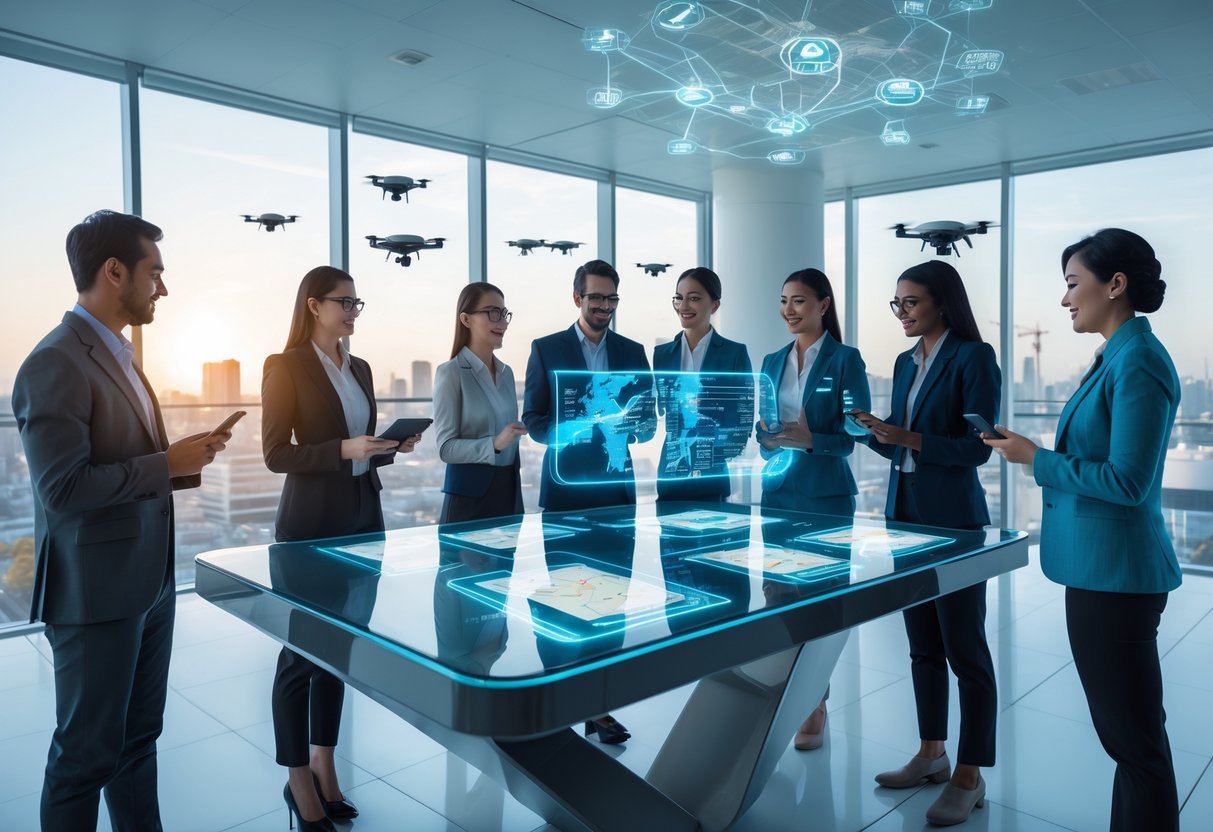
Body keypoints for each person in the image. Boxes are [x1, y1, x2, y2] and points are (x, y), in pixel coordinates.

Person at [11, 209, 228, 830]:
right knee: (85, 756)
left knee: (138, 739)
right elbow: (63, 488)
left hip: (148, 581)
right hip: (96, 592)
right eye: (154, 272)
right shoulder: (55, 361)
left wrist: (184, 461)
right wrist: (165, 464)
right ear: (114, 272)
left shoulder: (120, 355)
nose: (162, 287)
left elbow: (127, 460)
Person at [985, 229, 1180, 832]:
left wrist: (1034, 459)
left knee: (1136, 745)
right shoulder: (1118, 355)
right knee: (1128, 743)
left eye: (1073, 284)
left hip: (1116, 576)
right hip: (1099, 571)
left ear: (1115, 285)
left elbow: (1129, 482)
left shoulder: (1139, 361)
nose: (1066, 300)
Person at [261, 266, 421, 831]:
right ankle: (297, 777)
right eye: (344, 301)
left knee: (340, 652)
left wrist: (388, 446)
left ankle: (326, 766)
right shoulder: (284, 367)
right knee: (299, 655)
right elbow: (277, 454)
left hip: (362, 518)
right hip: (310, 525)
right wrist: (342, 448)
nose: (353, 310)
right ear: (312, 305)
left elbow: (362, 452)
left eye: (358, 301)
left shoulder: (361, 367)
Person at [850, 260, 1000, 826]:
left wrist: (908, 435)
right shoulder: (903, 362)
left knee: (966, 650)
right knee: (921, 646)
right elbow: (900, 448)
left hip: (955, 522)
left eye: (910, 302)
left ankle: (970, 773)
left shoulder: (973, 357)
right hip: (905, 517)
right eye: (897, 304)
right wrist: (872, 431)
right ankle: (932, 753)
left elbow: (978, 447)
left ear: (941, 302)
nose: (902, 313)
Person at [522, 258, 655, 743]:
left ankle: (598, 708)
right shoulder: (546, 349)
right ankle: (561, 706)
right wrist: (574, 430)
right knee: (566, 603)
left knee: (612, 605)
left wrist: (637, 426)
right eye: (596, 297)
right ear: (577, 298)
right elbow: (534, 420)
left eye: (611, 299)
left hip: (616, 498)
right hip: (565, 496)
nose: (604, 307)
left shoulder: (632, 351)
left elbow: (649, 424)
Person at [756, 268, 870, 752]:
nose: (789, 310)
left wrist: (812, 440)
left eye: (799, 301)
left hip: (826, 497)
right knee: (778, 600)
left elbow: (858, 434)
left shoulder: (846, 360)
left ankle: (816, 703)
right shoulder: (771, 359)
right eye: (783, 301)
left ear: (824, 305)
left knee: (821, 604)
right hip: (778, 495)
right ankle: (788, 696)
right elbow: (764, 436)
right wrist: (767, 439)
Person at [651, 267, 752, 502]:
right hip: (671, 474)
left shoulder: (734, 353)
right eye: (679, 298)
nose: (683, 306)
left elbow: (742, 421)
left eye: (694, 298)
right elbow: (662, 410)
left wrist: (715, 450)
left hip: (712, 474)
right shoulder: (662, 355)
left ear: (714, 305)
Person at [432, 282, 527, 523]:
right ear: (466, 319)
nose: (502, 322)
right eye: (493, 313)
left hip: (509, 494)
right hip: (469, 499)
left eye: (504, 314)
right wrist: (495, 443)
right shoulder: (451, 373)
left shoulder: (507, 374)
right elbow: (446, 448)